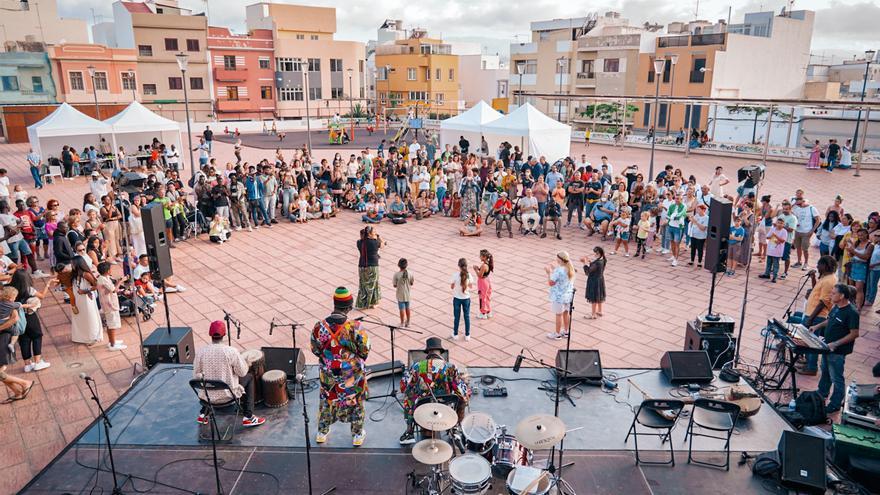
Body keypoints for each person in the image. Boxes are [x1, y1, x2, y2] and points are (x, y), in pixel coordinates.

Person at [311, 287, 371, 446]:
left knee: (327, 400)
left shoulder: (319, 326)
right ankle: (357, 435)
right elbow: (365, 350)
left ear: (334, 304)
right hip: (350, 374)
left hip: (328, 373)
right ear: (349, 307)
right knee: (355, 401)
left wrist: (331, 360)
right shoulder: (355, 327)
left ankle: (321, 433)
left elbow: (315, 349)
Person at [398, 337, 470, 445]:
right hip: (445, 406)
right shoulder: (450, 367)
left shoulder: (417, 366)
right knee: (462, 398)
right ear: (440, 352)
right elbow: (460, 390)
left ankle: (410, 432)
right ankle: (455, 428)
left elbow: (404, 387)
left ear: (428, 352)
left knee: (408, 397)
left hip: (422, 406)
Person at [193, 321, 265, 427]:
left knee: (207, 382)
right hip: (228, 396)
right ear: (224, 334)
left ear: (210, 334)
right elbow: (242, 372)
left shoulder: (200, 352)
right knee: (249, 377)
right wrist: (246, 363)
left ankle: (204, 414)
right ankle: (248, 417)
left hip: (207, 398)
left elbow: (196, 376)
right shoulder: (231, 352)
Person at [809, 284, 860, 413]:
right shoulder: (835, 307)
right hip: (827, 347)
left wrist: (836, 344)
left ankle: (835, 403)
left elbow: (854, 333)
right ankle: (822, 393)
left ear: (842, 296)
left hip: (837, 351)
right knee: (825, 371)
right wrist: (817, 326)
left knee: (836, 377)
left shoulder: (852, 313)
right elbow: (830, 320)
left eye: (833, 293)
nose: (831, 295)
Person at [797, 255, 838, 376]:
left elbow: (823, 302)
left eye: (819, 264)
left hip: (817, 316)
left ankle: (812, 367)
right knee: (807, 340)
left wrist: (811, 318)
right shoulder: (825, 277)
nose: (817, 266)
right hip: (811, 313)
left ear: (825, 266)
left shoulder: (829, 281)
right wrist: (813, 278)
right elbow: (816, 290)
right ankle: (808, 362)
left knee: (812, 342)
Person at [69, 254, 102, 345]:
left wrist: (85, 291)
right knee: (80, 317)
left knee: (90, 317)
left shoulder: (86, 274)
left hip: (86, 299)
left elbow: (96, 285)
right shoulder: (75, 274)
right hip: (78, 299)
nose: (71, 265)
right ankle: (82, 336)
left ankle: (93, 337)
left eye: (73, 263)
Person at [96, 262, 127, 350]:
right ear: (108, 271)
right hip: (109, 305)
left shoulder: (103, 278)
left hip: (108, 303)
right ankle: (113, 345)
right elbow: (114, 290)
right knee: (112, 324)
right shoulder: (103, 280)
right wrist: (121, 281)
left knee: (111, 323)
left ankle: (112, 341)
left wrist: (117, 281)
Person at [546, 251, 575, 340]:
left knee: (558, 315)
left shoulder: (559, 270)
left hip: (559, 296)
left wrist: (548, 273)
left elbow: (551, 283)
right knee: (566, 313)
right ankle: (566, 332)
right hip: (568, 296)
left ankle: (557, 334)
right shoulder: (570, 268)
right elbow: (562, 276)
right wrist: (554, 269)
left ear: (560, 259)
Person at [355, 226, 384, 309]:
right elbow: (382, 245)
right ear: (370, 233)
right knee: (374, 284)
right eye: (374, 232)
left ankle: (362, 303)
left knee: (363, 285)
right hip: (373, 266)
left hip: (362, 266)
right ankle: (373, 302)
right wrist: (378, 237)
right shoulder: (375, 242)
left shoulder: (359, 242)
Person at [450, 258, 475, 341]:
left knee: (456, 317)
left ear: (459, 266)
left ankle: (455, 334)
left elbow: (452, 286)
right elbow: (471, 286)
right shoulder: (469, 275)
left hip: (457, 298)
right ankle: (467, 335)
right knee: (466, 316)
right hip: (466, 298)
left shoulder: (455, 275)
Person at [792, 197, 820, 270]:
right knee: (798, 247)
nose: (797, 204)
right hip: (798, 231)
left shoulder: (812, 208)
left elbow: (818, 220)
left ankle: (806, 263)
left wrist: (812, 231)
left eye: (799, 202)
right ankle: (799, 261)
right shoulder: (796, 208)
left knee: (805, 249)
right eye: (796, 203)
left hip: (806, 232)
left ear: (803, 201)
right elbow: (793, 216)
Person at [760, 217, 789, 283]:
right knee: (768, 262)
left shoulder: (784, 231)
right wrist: (771, 237)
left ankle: (774, 277)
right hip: (771, 249)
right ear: (776, 223)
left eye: (781, 223)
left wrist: (776, 236)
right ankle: (767, 274)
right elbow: (767, 237)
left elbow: (783, 240)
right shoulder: (773, 229)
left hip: (777, 251)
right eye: (778, 223)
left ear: (783, 224)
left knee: (776, 264)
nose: (779, 224)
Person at [582, 247, 607, 319]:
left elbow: (588, 272)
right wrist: (590, 262)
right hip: (600, 280)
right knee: (599, 295)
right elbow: (596, 267)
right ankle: (600, 311)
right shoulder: (603, 260)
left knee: (594, 297)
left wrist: (584, 263)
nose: (594, 255)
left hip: (594, 281)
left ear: (598, 253)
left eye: (595, 253)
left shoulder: (597, 263)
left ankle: (593, 314)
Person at [393, 258, 414, 327]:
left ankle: (402, 323)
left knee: (401, 309)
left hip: (400, 295)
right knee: (407, 308)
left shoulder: (396, 275)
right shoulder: (410, 273)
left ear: (398, 265)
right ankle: (408, 322)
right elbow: (411, 283)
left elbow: (394, 285)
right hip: (407, 294)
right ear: (406, 265)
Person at [473, 249, 493, 320]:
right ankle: (488, 311)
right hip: (487, 281)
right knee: (487, 297)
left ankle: (483, 313)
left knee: (482, 298)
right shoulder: (488, 263)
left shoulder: (484, 265)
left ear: (484, 257)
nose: (479, 257)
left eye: (480, 256)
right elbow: (484, 272)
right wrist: (479, 269)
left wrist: (475, 269)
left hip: (482, 283)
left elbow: (480, 276)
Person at [688, 203, 709, 267]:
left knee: (700, 249)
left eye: (699, 209)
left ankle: (699, 262)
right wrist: (691, 220)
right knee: (693, 248)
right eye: (697, 209)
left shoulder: (706, 218)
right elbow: (692, 223)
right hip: (694, 234)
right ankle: (692, 260)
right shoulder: (696, 215)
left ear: (704, 210)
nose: (697, 211)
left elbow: (703, 228)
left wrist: (695, 222)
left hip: (701, 236)